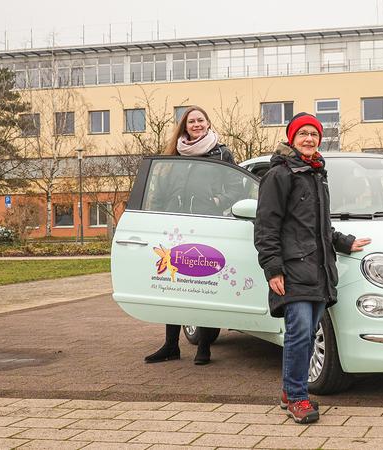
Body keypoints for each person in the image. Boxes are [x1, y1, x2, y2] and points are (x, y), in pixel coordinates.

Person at [254, 112, 371, 424]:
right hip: (292, 268)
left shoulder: (316, 173)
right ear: (291, 138)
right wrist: (272, 268)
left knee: (307, 334)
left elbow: (319, 226)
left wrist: (344, 242)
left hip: (318, 269)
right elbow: (266, 226)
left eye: (314, 134)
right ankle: (296, 397)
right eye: (303, 133)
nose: (308, 139)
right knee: (300, 332)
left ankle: (288, 390)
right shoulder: (279, 174)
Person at [144, 105, 237, 366]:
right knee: (173, 285)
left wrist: (217, 200)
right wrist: (159, 214)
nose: (196, 124)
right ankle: (171, 345)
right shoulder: (174, 155)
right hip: (175, 228)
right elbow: (160, 190)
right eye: (191, 121)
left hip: (208, 225)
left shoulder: (221, 153)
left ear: (208, 123)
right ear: (185, 126)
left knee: (203, 285)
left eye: (200, 120)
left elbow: (237, 187)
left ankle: (204, 345)